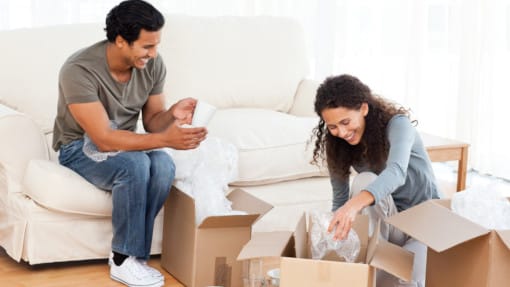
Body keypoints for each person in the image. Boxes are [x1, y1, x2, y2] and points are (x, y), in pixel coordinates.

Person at [52, 1, 207, 286]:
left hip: (124, 143)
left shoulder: (152, 64)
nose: (154, 54)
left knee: (162, 165)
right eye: (147, 47)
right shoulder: (78, 70)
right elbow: (103, 138)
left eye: (156, 45)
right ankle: (122, 258)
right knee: (135, 165)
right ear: (121, 41)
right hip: (78, 147)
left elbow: (152, 122)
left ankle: (136, 257)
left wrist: (172, 115)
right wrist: (165, 139)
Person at [311, 74, 440, 287]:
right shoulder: (336, 144)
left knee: (408, 282)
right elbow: (340, 201)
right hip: (390, 228)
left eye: (345, 122)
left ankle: (379, 269)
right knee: (364, 180)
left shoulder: (399, 126)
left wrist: (353, 206)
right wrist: (331, 241)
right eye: (332, 126)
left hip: (424, 223)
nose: (341, 132)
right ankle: (374, 264)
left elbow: (396, 172)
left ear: (363, 108)